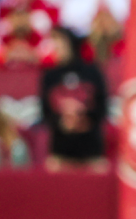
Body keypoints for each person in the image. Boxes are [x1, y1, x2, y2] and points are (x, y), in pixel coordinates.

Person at [40, 28, 108, 172]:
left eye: (59, 42)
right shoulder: (49, 75)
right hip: (60, 149)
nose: (55, 46)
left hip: (91, 148)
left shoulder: (92, 71)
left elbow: (103, 106)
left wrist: (84, 119)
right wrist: (62, 121)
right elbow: (44, 111)